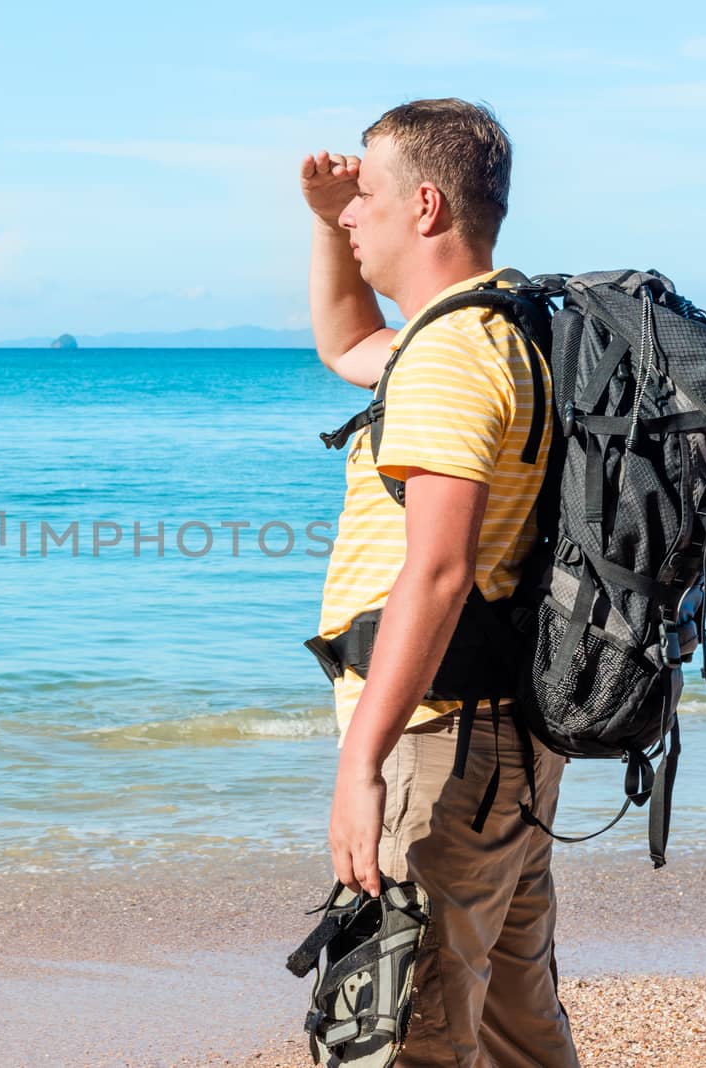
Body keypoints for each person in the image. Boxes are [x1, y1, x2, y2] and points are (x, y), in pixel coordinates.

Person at [300, 99, 580, 1068]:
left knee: (402, 1041)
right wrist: (319, 215)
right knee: (519, 1033)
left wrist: (359, 760)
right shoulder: (498, 330)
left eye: (364, 198)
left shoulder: (451, 359)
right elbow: (345, 344)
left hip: (438, 749)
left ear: (423, 207)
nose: (350, 215)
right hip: (508, 749)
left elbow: (439, 564)